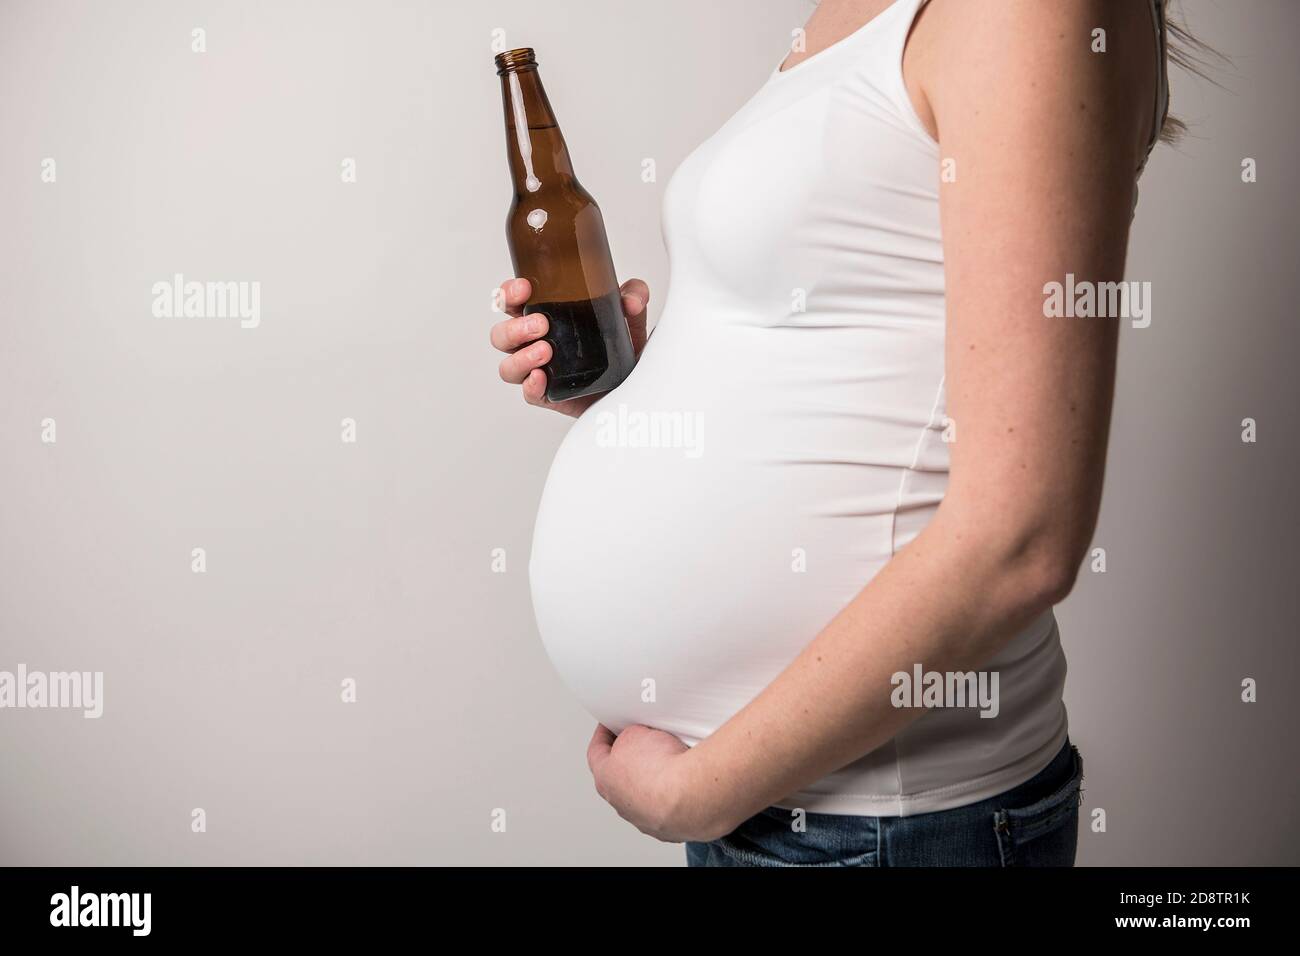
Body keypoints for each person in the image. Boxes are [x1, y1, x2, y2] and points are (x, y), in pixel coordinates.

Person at [490, 0, 1175, 866]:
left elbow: (1023, 541)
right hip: (782, 812)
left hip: (882, 824)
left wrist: (701, 796)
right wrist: (636, 395)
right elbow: (849, 336)